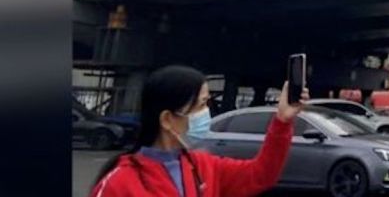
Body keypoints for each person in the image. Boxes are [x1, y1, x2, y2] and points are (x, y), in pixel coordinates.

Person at [90, 65, 308, 197]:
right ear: (167, 119)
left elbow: (261, 175)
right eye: (201, 105)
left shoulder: (203, 166)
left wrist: (282, 121)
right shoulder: (119, 183)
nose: (207, 113)